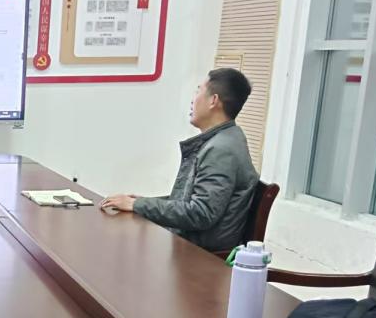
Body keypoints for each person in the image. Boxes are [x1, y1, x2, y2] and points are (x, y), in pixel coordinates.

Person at [101, 68, 259, 253]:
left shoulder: (221, 149)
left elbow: (201, 213)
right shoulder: (227, 139)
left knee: (117, 247)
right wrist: (140, 203)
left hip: (199, 255)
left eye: (198, 90)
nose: (193, 99)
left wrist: (137, 205)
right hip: (191, 244)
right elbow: (189, 201)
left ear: (213, 100)